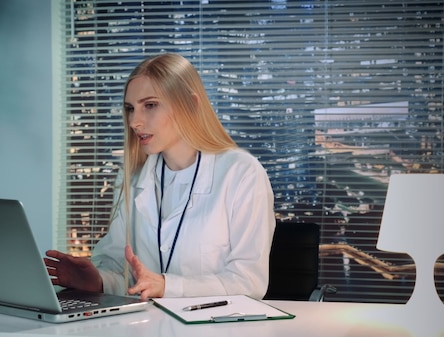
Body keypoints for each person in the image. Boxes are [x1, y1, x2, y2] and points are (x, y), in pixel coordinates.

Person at [45, 53, 275, 301]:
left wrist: (167, 286)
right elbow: (120, 269)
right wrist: (98, 281)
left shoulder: (241, 173)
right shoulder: (133, 178)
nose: (134, 121)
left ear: (190, 104)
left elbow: (249, 282)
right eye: (130, 109)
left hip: (217, 333)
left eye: (150, 105)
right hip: (148, 330)